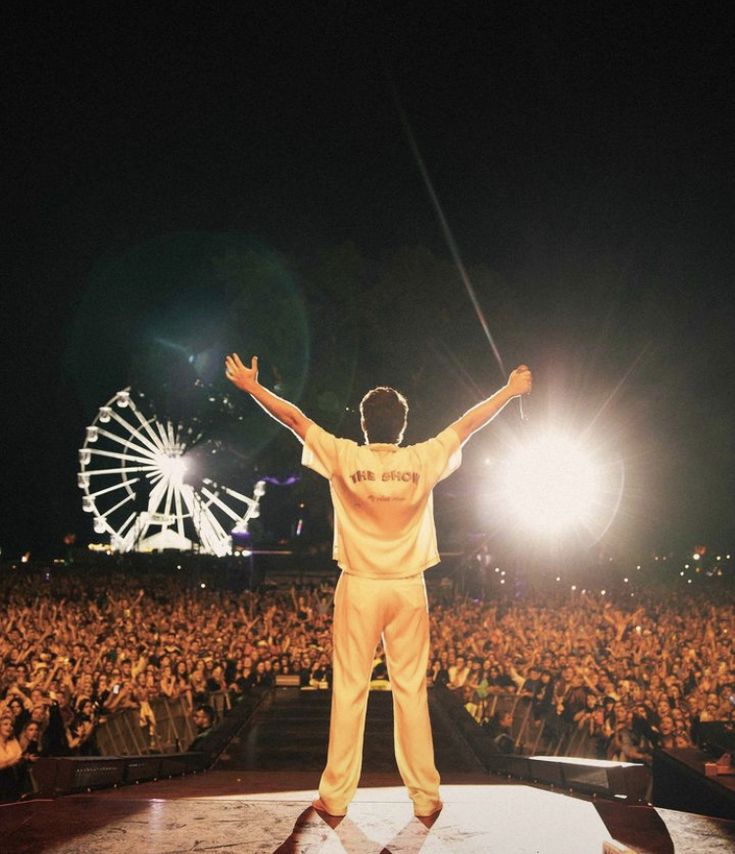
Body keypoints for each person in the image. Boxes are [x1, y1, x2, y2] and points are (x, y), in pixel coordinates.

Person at [226, 353, 532, 816]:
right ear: (402, 426)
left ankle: (335, 796)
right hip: (409, 587)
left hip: (360, 586)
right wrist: (509, 391)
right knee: (410, 690)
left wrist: (253, 388)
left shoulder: (345, 455)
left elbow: (294, 418)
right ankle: (426, 797)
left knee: (350, 689)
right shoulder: (421, 458)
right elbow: (468, 424)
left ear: (365, 424)